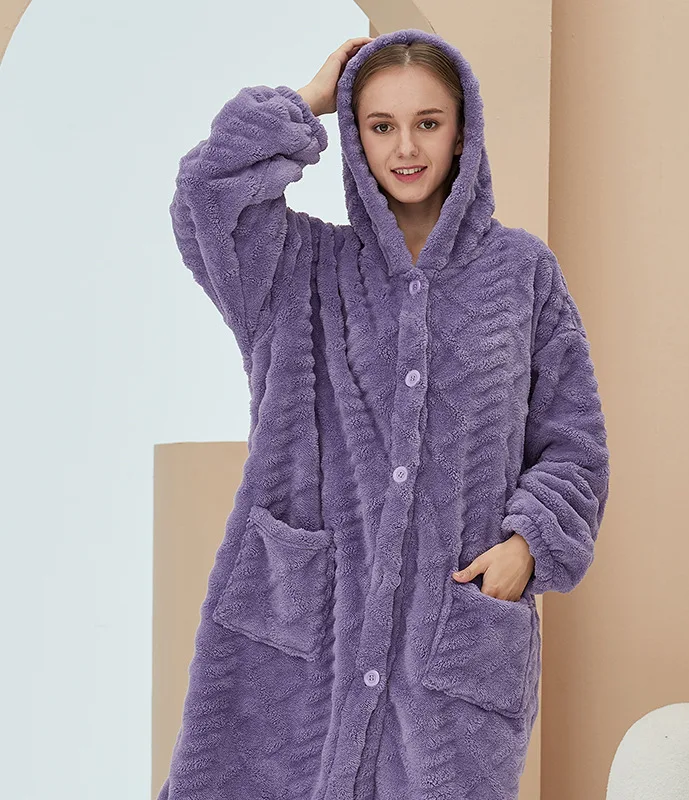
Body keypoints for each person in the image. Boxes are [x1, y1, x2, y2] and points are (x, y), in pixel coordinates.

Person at [160, 28, 610, 800]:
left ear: (462, 130)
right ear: (354, 135)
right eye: (380, 125)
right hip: (297, 643)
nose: (406, 147)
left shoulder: (522, 275)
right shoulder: (296, 265)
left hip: (450, 651)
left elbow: (574, 442)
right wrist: (305, 102)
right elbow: (207, 196)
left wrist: (529, 544)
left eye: (427, 122)